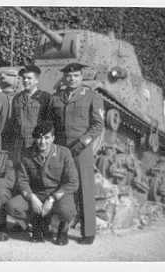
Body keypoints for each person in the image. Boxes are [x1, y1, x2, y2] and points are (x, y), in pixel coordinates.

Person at [47, 62, 104, 245]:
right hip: (61, 149)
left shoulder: (91, 96)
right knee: (62, 186)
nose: (72, 79)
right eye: (69, 76)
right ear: (64, 77)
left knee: (85, 189)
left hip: (81, 150)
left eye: (76, 76)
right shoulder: (56, 97)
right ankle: (59, 229)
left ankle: (88, 232)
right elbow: (51, 123)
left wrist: (83, 141)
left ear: (81, 77)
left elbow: (98, 125)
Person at [5, 121, 79, 245]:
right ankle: (37, 223)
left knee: (67, 210)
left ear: (53, 138)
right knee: (12, 206)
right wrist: (31, 197)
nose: (42, 141)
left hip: (58, 195)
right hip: (37, 194)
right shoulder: (27, 154)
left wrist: (52, 199)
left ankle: (63, 229)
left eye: (46, 137)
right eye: (39, 137)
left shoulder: (64, 153)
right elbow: (22, 181)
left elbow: (73, 182)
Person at [10, 65, 52, 163]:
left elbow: (49, 122)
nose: (25, 81)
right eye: (24, 78)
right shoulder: (17, 98)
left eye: (29, 78)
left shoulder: (45, 97)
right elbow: (13, 121)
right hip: (20, 144)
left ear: (37, 80)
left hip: (36, 143)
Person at [0, 66, 23, 152]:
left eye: (10, 75)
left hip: (17, 135)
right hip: (0, 134)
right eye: (1, 75)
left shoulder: (21, 97)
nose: (3, 76)